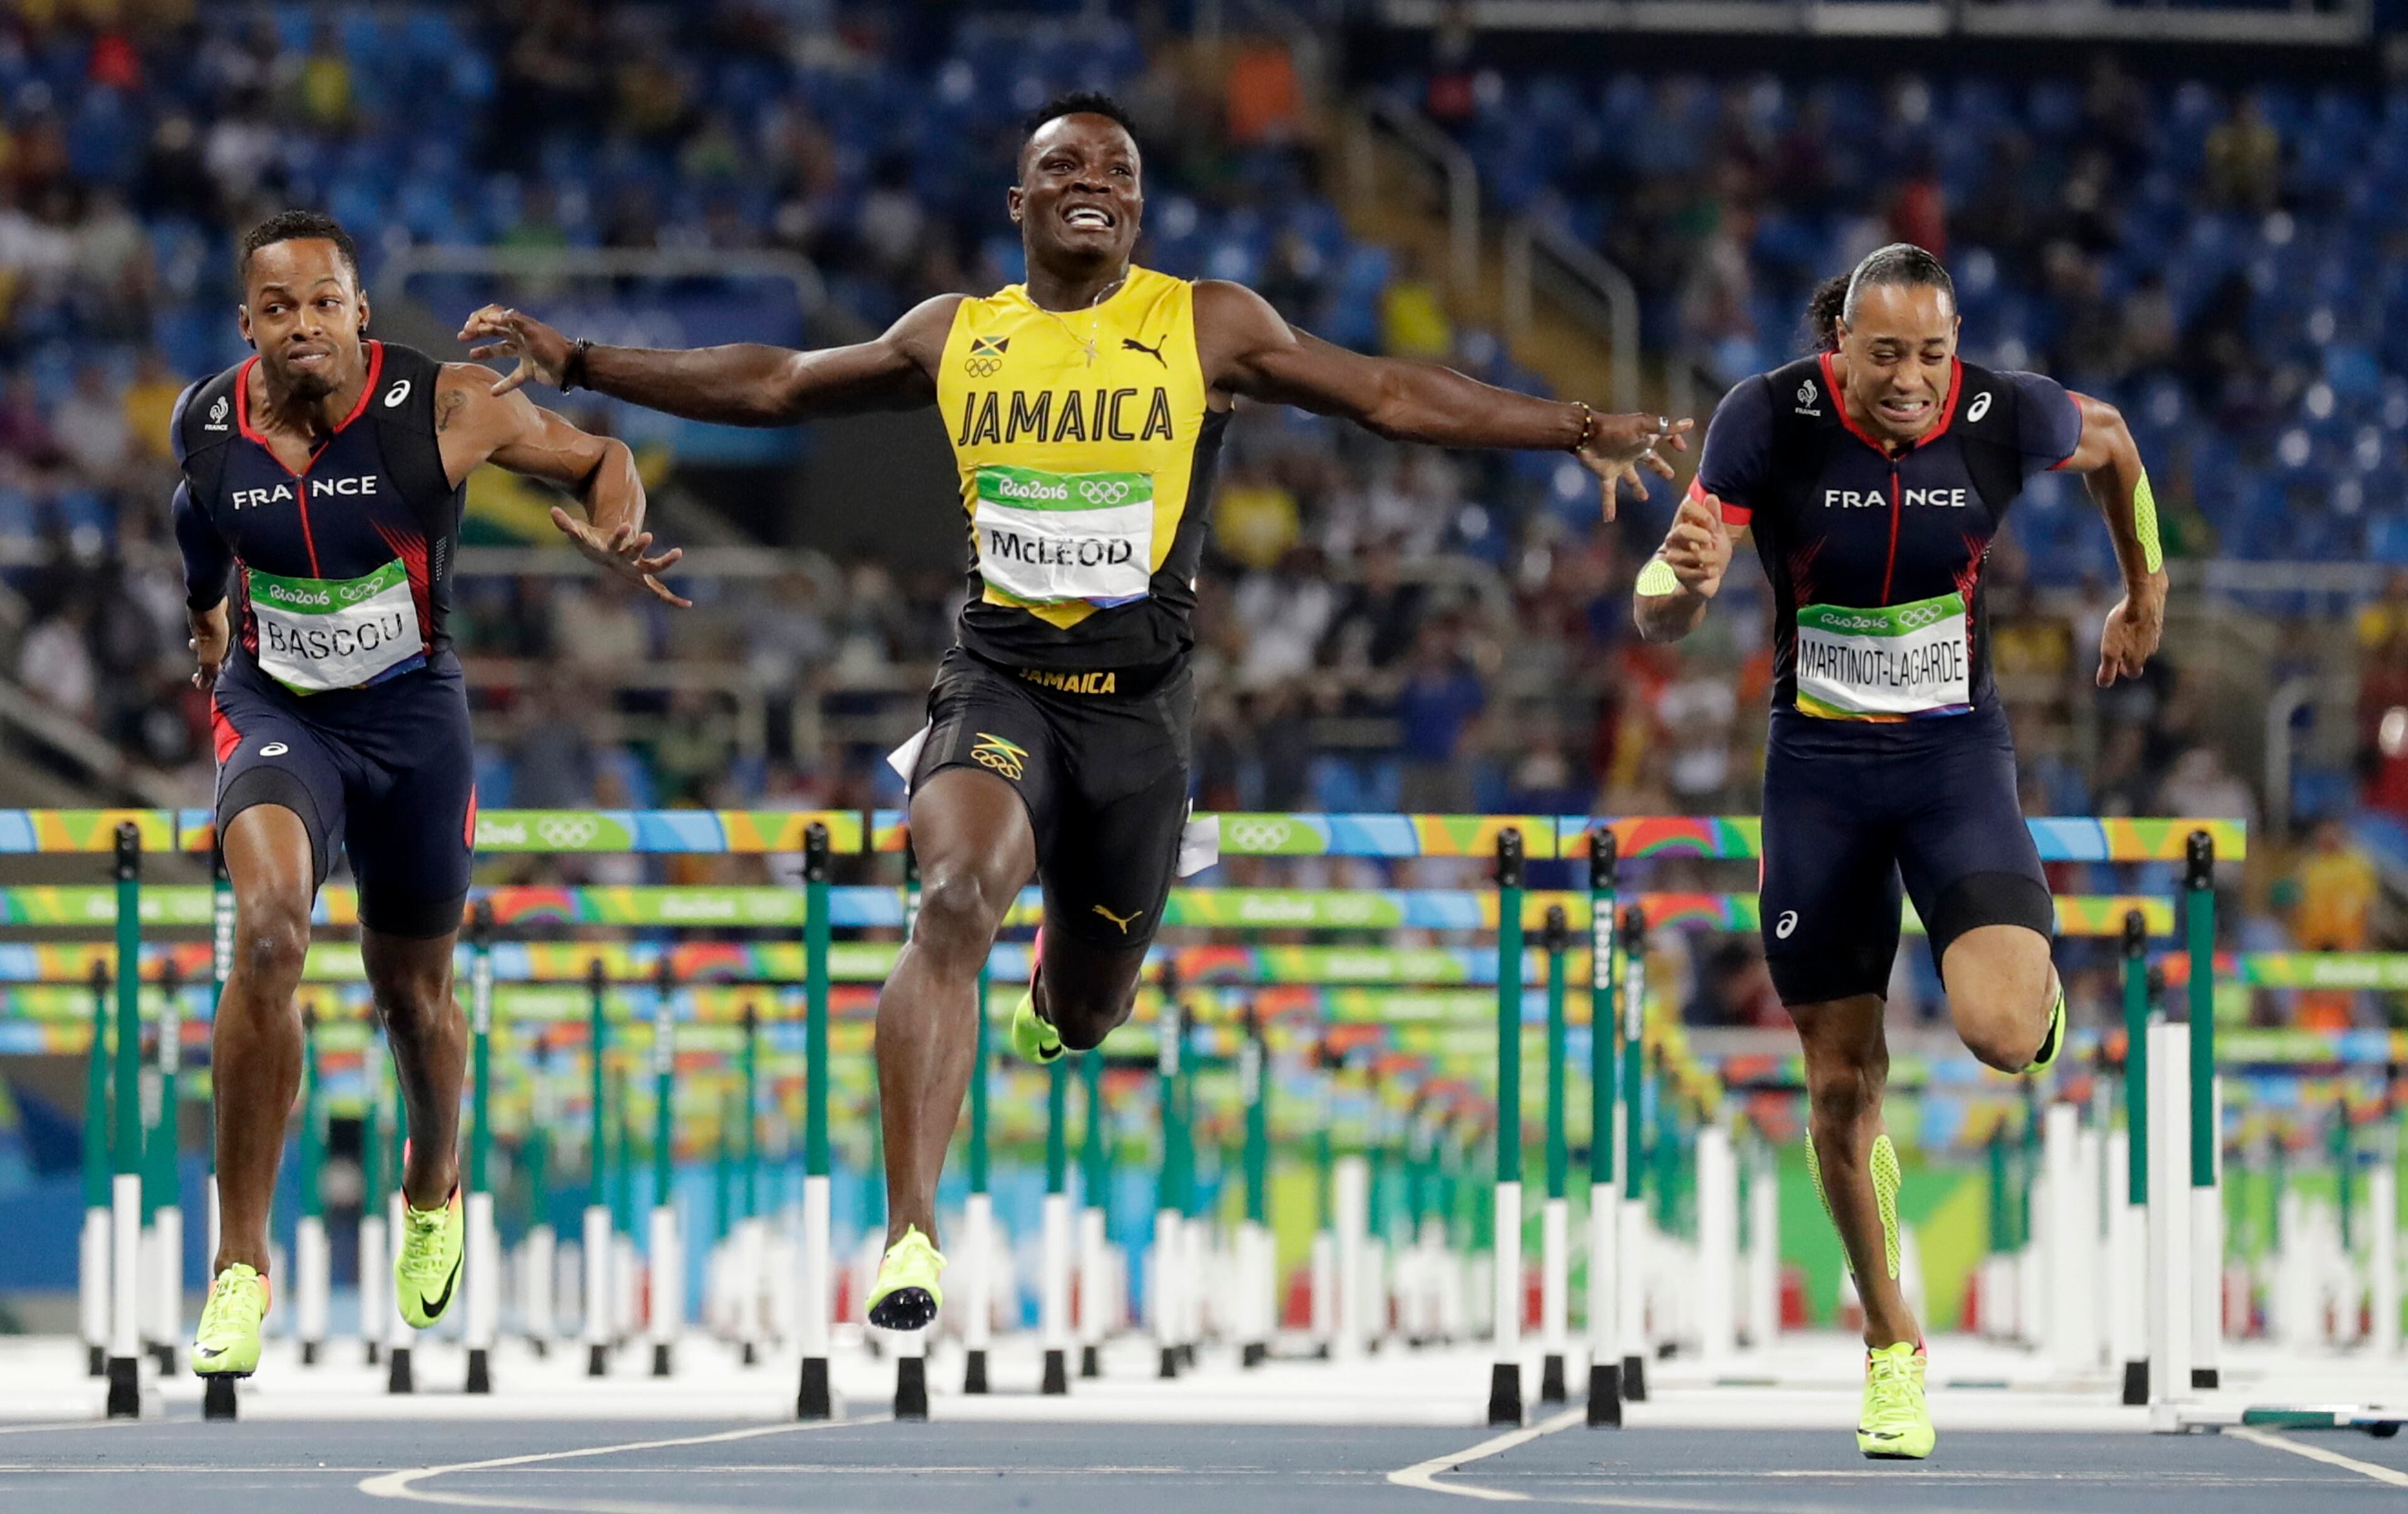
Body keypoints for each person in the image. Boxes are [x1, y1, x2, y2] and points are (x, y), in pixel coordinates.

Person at [460, 91, 1688, 1331]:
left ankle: (1057, 991)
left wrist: (1572, 425)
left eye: (1118, 165)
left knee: (1094, 1010)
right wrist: (583, 363)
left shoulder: (1206, 323)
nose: (1092, 178)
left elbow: (1384, 394)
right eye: (1063, 163)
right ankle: (910, 1235)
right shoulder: (956, 335)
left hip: (1141, 717)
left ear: (1140, 203)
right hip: (999, 682)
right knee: (949, 898)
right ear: (1022, 201)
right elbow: (780, 379)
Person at [1633, 242, 2165, 1461]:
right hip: (1818, 773)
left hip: (1951, 763)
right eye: (1888, 355)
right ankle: (1891, 1343)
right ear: (1844, 347)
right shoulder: (1766, 416)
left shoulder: (2002, 411)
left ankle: (2027, 1004)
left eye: (1934, 352)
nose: (1915, 378)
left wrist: (2149, 587)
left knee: (1996, 1034)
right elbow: (1666, 590)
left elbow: (2118, 441)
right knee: (1838, 1081)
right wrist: (1679, 588)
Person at [177, 211, 686, 1380]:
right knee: (266, 934)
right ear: (247, 323)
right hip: (277, 710)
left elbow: (602, 458)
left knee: (413, 994)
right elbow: (194, 522)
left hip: (411, 721)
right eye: (277, 308)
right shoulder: (208, 422)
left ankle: (431, 1182)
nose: (302, 324)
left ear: (360, 310)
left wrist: (616, 532)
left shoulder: (447, 407)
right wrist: (208, 623)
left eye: (323, 302)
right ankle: (240, 1266)